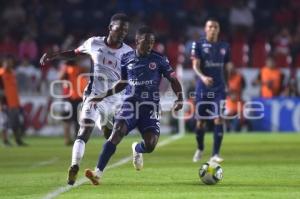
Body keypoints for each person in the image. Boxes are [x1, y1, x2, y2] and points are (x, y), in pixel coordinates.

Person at [40, 13, 133, 185]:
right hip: (93, 96)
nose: (122, 33)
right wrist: (54, 56)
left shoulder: (128, 53)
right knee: (84, 131)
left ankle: (105, 126)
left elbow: (127, 80)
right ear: (110, 28)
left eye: (125, 30)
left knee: (109, 133)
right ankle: (74, 166)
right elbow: (74, 53)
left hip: (114, 100)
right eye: (119, 29)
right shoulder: (93, 43)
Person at [84, 26, 183, 185]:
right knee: (117, 132)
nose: (150, 45)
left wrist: (180, 99)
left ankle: (137, 149)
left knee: (150, 145)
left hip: (150, 108)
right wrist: (102, 95)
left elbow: (173, 80)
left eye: (152, 42)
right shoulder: (126, 58)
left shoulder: (160, 59)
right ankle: (97, 172)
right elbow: (122, 83)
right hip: (129, 104)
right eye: (146, 42)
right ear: (137, 41)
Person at [190, 18, 231, 163]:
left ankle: (215, 154)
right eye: (210, 26)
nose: (213, 29)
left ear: (219, 30)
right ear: (205, 29)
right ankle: (200, 147)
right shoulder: (199, 44)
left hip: (219, 88)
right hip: (203, 88)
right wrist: (203, 77)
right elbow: (195, 65)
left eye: (215, 27)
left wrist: (227, 85)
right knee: (200, 123)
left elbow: (226, 68)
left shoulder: (225, 46)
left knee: (218, 119)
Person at [58, 60, 87, 146]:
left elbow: (60, 77)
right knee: (70, 119)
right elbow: (60, 77)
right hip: (70, 97)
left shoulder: (76, 68)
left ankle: (72, 138)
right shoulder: (70, 69)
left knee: (74, 120)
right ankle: (70, 138)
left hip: (75, 97)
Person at [0, 57, 27, 146]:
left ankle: (18, 140)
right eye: (7, 62)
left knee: (16, 123)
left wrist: (18, 103)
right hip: (5, 103)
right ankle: (5, 141)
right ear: (3, 63)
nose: (9, 64)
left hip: (14, 102)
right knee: (5, 123)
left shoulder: (12, 73)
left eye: (10, 62)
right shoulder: (1, 73)